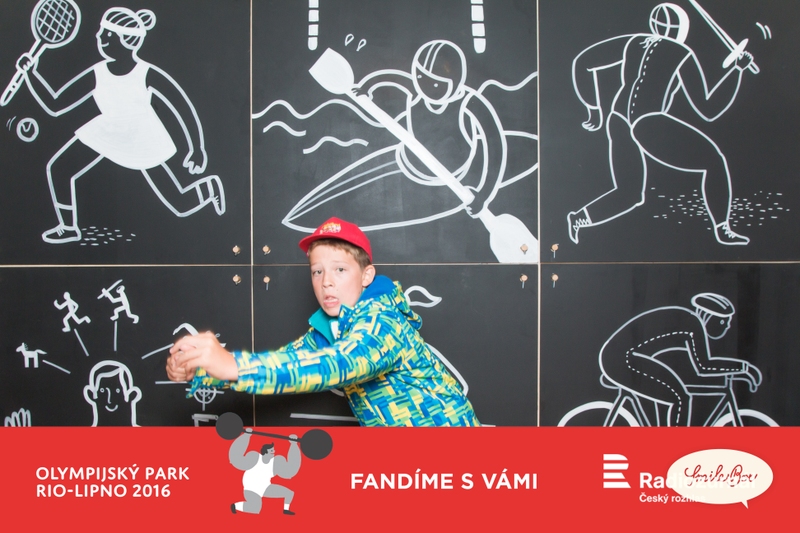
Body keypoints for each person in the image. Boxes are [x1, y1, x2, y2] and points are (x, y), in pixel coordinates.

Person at [167, 217, 480, 427]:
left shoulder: (383, 323)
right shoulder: (328, 332)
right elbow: (286, 365)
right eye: (317, 272)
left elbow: (336, 365)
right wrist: (201, 371)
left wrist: (233, 365)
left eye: (340, 270)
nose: (326, 282)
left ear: (366, 276)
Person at [15, 7, 224, 244]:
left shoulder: (146, 73)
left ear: (125, 40)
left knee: (179, 202)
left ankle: (209, 189)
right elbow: (56, 104)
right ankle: (69, 227)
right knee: (59, 168)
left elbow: (182, 106)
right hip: (107, 131)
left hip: (142, 139)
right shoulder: (98, 73)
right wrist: (31, 74)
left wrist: (197, 148)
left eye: (106, 34)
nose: (98, 36)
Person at [567, 3, 754, 246]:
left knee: (629, 193)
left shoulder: (634, 41)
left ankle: (579, 218)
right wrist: (737, 71)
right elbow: (709, 110)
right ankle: (722, 229)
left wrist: (594, 109)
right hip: (648, 122)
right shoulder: (681, 53)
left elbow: (583, 62)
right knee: (714, 161)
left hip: (617, 120)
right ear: (682, 29)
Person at [598, 292, 762, 426]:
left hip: (622, 357)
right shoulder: (692, 325)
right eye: (722, 321)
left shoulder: (687, 320)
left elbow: (697, 366)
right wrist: (744, 368)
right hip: (623, 359)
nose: (727, 326)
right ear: (707, 316)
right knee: (680, 398)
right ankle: (677, 447)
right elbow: (704, 366)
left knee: (673, 390)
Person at [229, 431, 300, 515]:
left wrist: (293, 444)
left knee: (289, 493)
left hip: (265, 487)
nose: (274, 451)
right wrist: (246, 436)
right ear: (265, 451)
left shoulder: (275, 463)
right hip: (251, 488)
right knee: (255, 509)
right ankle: (235, 506)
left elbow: (291, 470)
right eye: (271, 450)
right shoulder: (255, 458)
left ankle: (286, 510)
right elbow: (236, 458)